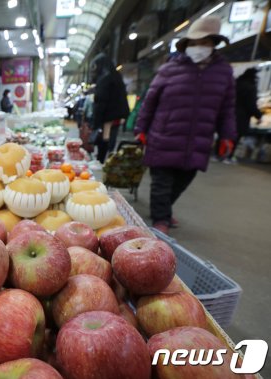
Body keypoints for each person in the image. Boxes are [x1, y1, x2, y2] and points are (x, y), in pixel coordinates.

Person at [135, 16, 236, 234]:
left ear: (214, 44)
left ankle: (165, 210)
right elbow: (149, 101)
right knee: (161, 181)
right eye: (194, 43)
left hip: (198, 138)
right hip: (164, 134)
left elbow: (227, 108)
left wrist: (228, 135)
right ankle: (160, 217)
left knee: (184, 179)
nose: (199, 48)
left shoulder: (223, 73)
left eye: (205, 43)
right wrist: (141, 129)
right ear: (187, 45)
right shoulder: (170, 69)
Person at [90, 53, 130, 163]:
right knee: (110, 140)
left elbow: (100, 102)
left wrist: (95, 122)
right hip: (117, 117)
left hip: (107, 118)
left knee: (103, 140)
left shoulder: (104, 79)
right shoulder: (117, 77)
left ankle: (101, 162)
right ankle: (108, 161)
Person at [230, 68, 262, 163]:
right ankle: (229, 155)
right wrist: (258, 115)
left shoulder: (236, 83)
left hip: (229, 112)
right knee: (236, 135)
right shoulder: (250, 87)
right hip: (242, 116)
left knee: (226, 133)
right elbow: (251, 104)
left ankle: (219, 154)